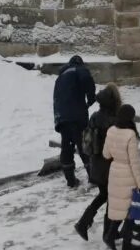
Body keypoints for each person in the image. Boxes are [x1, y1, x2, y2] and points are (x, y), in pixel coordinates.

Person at [74, 84, 122, 240]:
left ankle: (84, 223)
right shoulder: (113, 120)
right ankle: (108, 233)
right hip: (109, 166)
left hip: (96, 165)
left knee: (104, 195)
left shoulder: (95, 116)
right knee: (112, 197)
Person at [102, 104, 140, 248]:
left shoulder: (111, 131)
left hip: (114, 174)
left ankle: (110, 236)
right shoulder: (130, 135)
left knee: (120, 209)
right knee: (131, 212)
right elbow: (134, 163)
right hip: (128, 176)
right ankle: (127, 245)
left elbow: (106, 154)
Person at [53, 54, 97, 189]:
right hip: (76, 116)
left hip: (61, 117)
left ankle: (70, 180)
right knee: (84, 146)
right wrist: (90, 99)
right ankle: (94, 178)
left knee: (67, 148)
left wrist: (59, 118)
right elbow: (87, 80)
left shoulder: (61, 76)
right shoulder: (79, 69)